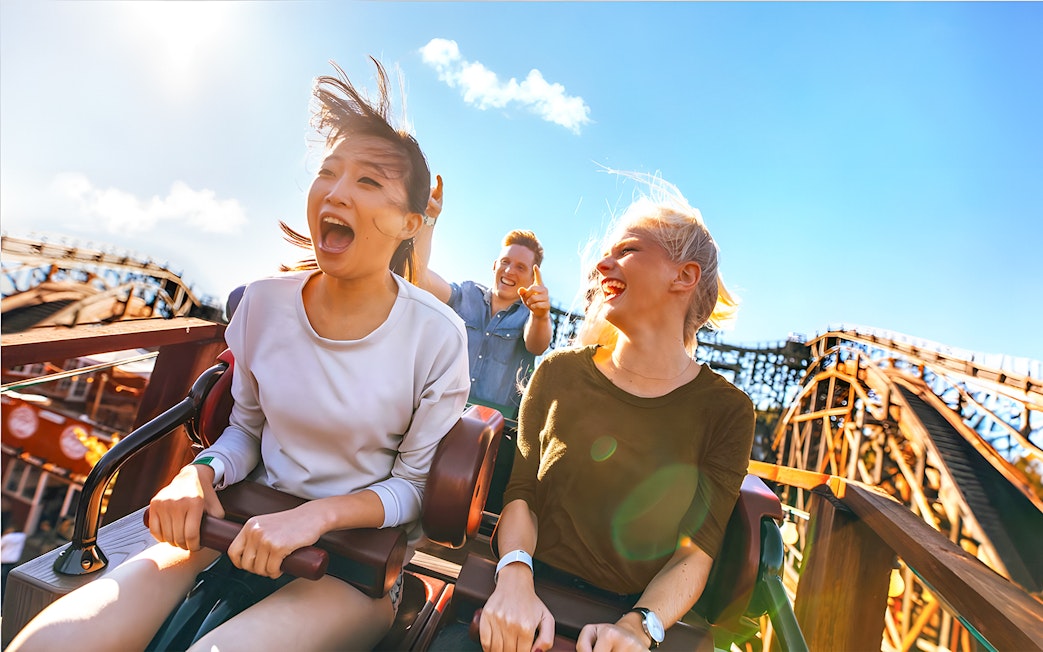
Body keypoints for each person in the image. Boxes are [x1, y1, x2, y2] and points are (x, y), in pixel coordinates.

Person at [9, 58, 470, 652]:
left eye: (368, 182)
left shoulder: (438, 335)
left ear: (410, 222)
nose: (335, 191)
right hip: (236, 523)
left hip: (355, 566)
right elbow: (246, 432)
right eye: (329, 172)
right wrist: (194, 474)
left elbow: (411, 488)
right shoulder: (263, 304)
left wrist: (317, 516)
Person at [474, 174, 755, 652]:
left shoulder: (727, 410)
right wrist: (515, 579)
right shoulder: (559, 373)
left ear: (683, 276)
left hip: (628, 620)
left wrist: (637, 627)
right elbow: (522, 493)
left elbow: (696, 549)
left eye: (627, 251)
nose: (602, 264)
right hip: (525, 598)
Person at [414, 184, 552, 418]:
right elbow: (419, 277)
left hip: (495, 426)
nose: (509, 270)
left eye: (521, 267)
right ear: (494, 265)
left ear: (531, 278)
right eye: (505, 261)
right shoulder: (466, 294)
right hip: (440, 412)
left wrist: (540, 315)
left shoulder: (529, 316)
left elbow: (537, 345)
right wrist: (429, 220)